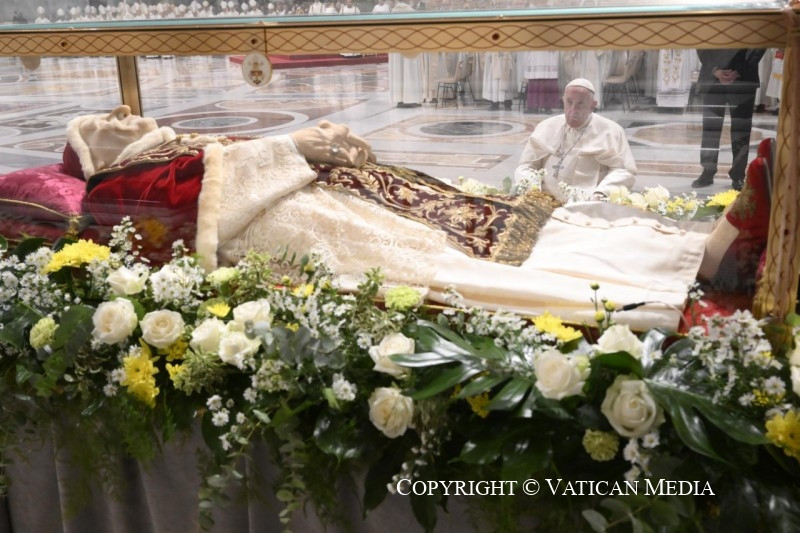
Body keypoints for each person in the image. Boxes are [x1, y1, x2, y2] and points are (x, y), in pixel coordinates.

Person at [65, 106, 767, 331]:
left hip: (332, 193)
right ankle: (661, 287)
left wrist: (327, 145)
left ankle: (697, 253)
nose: (121, 112)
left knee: (500, 224)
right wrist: (297, 146)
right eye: (99, 122)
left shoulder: (164, 143)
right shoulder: (113, 186)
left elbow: (230, 159)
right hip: (296, 227)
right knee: (461, 267)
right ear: (92, 155)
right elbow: (185, 207)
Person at [514, 78, 636, 202]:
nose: (573, 110)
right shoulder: (546, 126)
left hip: (587, 203)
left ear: (592, 105)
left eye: (580, 104)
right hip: (544, 202)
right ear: (563, 100)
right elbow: (526, 165)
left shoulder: (611, 131)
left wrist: (600, 193)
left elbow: (623, 171)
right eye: (569, 102)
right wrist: (533, 191)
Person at [691, 48, 766, 190]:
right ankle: (708, 171)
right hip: (712, 79)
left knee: (741, 129)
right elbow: (701, 42)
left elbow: (759, 46)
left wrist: (739, 71)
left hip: (744, 78)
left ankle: (738, 175)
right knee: (710, 129)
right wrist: (715, 70)